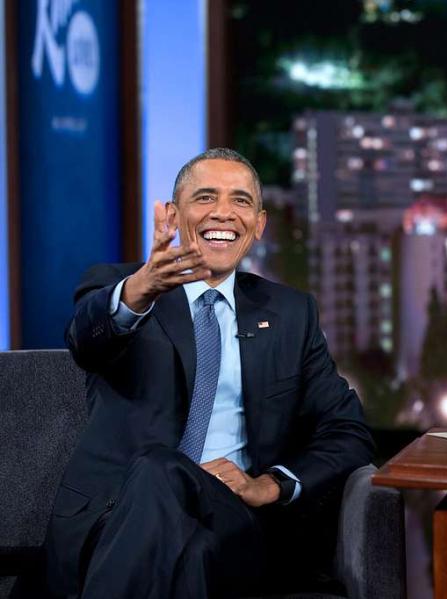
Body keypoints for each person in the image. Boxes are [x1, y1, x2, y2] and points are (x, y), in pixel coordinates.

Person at [42, 148, 374, 598]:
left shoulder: (291, 314)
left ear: (258, 225)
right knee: (184, 531)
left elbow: (348, 431)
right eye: (205, 197)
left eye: (240, 201)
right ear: (175, 216)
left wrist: (270, 484)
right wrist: (139, 291)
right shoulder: (124, 287)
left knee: (167, 478)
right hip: (116, 519)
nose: (223, 212)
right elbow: (85, 339)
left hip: (237, 519)